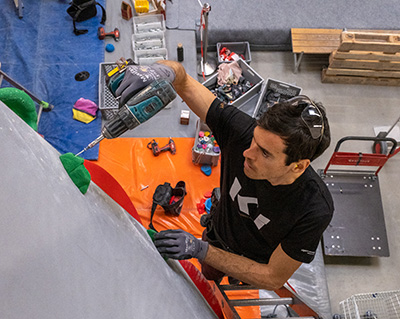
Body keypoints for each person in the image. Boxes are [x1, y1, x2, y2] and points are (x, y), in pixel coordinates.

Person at [114, 60, 334, 291]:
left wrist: (199, 250)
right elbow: (184, 81)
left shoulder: (313, 208)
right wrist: (160, 71)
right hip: (217, 233)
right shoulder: (241, 133)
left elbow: (272, 277)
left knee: (236, 283)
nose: (247, 153)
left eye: (265, 153)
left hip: (253, 261)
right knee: (207, 276)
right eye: (254, 141)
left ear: (298, 166)